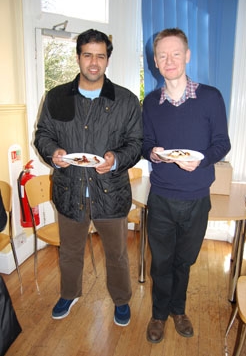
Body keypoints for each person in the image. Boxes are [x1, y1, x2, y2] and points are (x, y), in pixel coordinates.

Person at [34, 29, 143, 326]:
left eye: (100, 56)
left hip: (111, 193)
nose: (93, 63)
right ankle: (69, 293)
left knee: (117, 254)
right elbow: (43, 134)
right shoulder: (56, 97)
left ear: (107, 60)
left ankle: (121, 299)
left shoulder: (126, 100)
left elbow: (135, 142)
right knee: (69, 251)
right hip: (70, 191)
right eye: (87, 55)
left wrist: (116, 159)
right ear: (78, 56)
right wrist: (53, 152)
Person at [142, 28, 231, 343]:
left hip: (196, 199)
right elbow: (147, 143)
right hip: (162, 197)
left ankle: (178, 310)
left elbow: (223, 143)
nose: (169, 60)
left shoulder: (210, 97)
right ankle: (158, 314)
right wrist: (152, 151)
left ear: (187, 56)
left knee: (184, 261)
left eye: (175, 53)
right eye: (162, 55)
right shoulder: (151, 102)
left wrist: (203, 159)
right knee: (161, 262)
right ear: (155, 61)